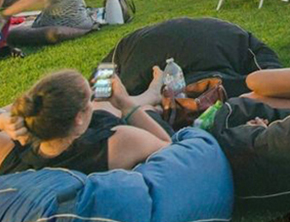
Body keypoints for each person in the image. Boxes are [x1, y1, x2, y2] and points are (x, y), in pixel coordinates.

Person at [0, 68, 173, 174]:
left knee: (101, 105)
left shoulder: (10, 150)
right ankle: (149, 100)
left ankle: (149, 96)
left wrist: (4, 121)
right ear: (78, 118)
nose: (90, 102)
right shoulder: (117, 143)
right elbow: (168, 147)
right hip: (108, 133)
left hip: (67, 140)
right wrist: (125, 103)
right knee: (139, 110)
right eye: (87, 100)